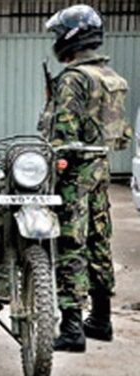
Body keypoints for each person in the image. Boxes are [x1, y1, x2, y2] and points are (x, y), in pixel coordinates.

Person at [42, 4, 132, 352]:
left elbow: (63, 136)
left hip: (75, 172)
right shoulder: (110, 77)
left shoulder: (74, 79)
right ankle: (101, 320)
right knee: (98, 240)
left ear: (71, 36)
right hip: (100, 168)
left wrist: (53, 168)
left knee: (70, 243)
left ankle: (71, 328)